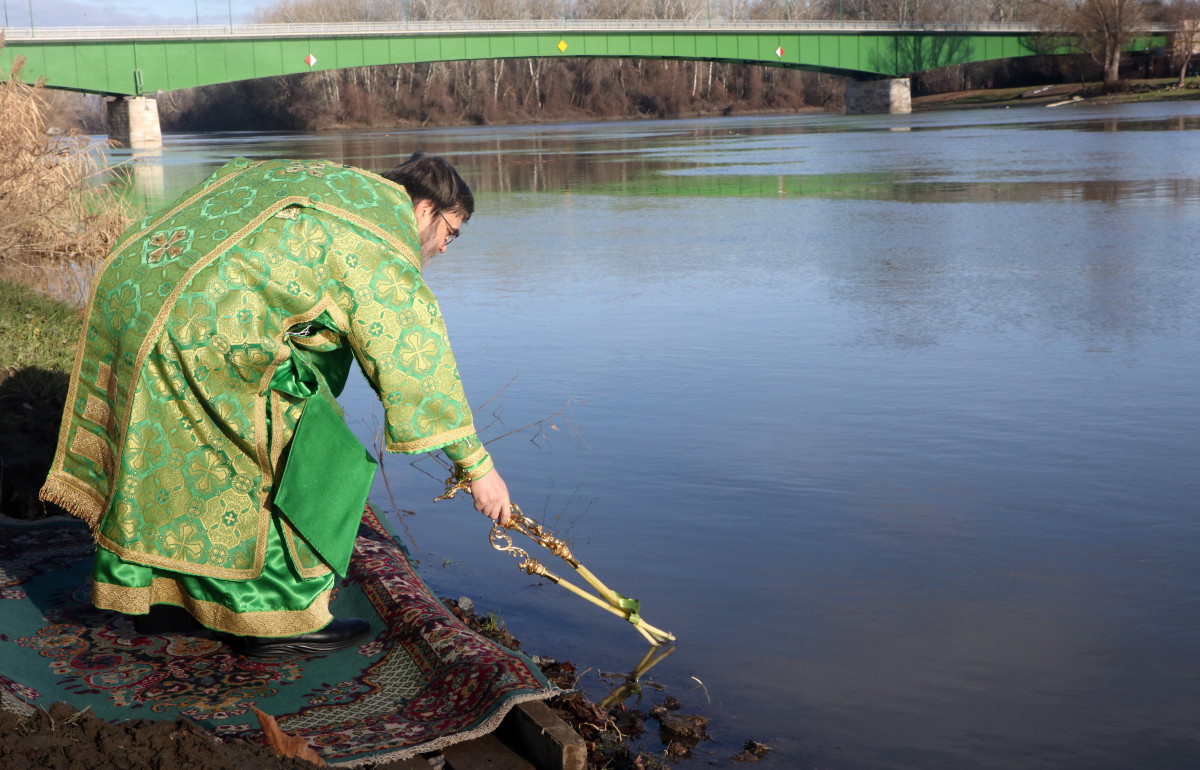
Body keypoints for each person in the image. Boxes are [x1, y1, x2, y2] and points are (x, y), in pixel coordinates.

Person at [40, 152, 511, 657]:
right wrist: (476, 467)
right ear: (423, 209)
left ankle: (167, 601)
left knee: (180, 454)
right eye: (450, 232)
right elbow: (416, 366)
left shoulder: (333, 184)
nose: (442, 247)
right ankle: (278, 621)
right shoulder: (379, 236)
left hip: (140, 292)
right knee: (291, 455)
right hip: (202, 329)